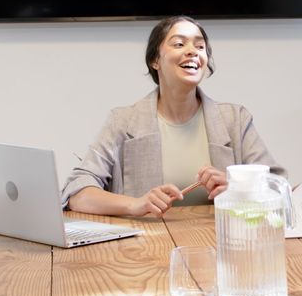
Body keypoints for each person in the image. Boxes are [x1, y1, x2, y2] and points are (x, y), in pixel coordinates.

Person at [62, 15, 285, 218]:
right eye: (179, 44)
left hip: (219, 244)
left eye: (200, 46)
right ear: (155, 60)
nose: (193, 51)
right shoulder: (122, 120)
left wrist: (238, 190)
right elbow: (77, 192)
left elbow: (279, 187)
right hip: (141, 250)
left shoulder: (235, 119)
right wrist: (135, 204)